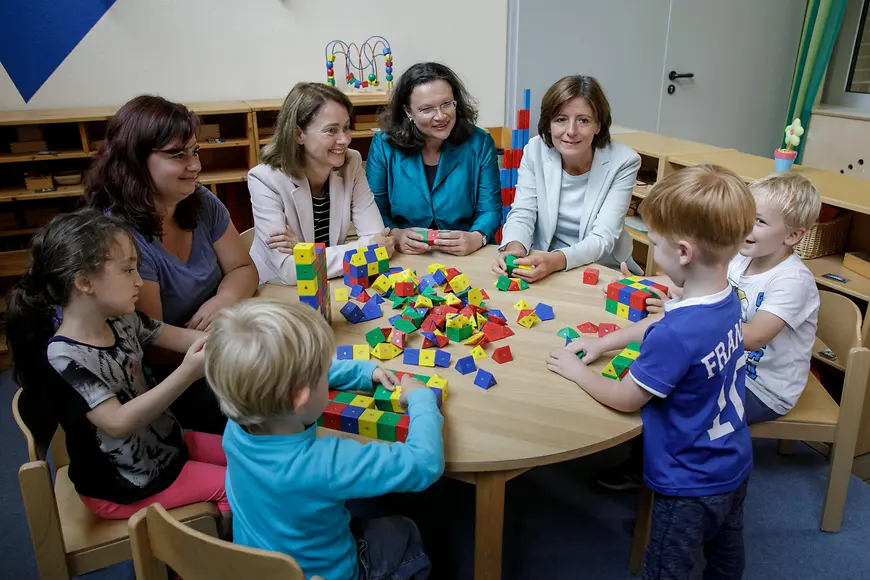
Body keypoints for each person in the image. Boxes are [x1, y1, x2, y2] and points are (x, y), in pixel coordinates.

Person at [546, 165, 755, 579]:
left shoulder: (677, 334)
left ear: (682, 252)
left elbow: (626, 398)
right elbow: (660, 323)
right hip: (733, 461)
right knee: (727, 554)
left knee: (664, 568)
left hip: (687, 480)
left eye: (654, 244)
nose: (651, 253)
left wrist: (576, 371)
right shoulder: (727, 299)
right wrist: (605, 342)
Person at [6, 211, 230, 535]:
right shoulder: (63, 358)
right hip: (122, 485)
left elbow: (184, 338)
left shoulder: (121, 320)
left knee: (243, 451)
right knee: (232, 485)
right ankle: (205, 562)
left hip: (166, 450)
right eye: (128, 270)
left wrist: (239, 338)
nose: (139, 280)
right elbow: (118, 422)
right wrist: (187, 373)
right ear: (84, 282)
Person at [205, 299, 444, 580]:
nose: (325, 376)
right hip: (328, 574)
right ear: (300, 398)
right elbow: (424, 463)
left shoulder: (236, 427)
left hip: (259, 568)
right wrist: (421, 399)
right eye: (322, 373)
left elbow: (282, 375)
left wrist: (364, 372)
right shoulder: (326, 462)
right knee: (402, 531)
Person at [85, 95, 259, 434]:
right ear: (136, 160)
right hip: (175, 379)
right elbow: (153, 346)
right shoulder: (120, 239)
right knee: (278, 405)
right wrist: (231, 342)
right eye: (178, 155)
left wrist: (222, 302)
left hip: (217, 348)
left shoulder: (202, 201)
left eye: (195, 151)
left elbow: (243, 269)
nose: (194, 165)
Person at [493, 75, 642, 283]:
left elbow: (603, 239)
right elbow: (522, 213)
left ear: (598, 125)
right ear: (549, 124)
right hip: (543, 260)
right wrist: (514, 247)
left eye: (583, 120)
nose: (571, 131)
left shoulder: (624, 161)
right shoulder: (534, 150)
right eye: (561, 119)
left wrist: (555, 260)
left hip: (601, 267)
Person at [248, 82, 394, 285]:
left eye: (346, 128)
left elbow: (381, 242)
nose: (344, 139)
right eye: (331, 130)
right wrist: (365, 249)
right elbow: (290, 270)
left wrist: (303, 251)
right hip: (277, 293)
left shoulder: (351, 162)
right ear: (299, 134)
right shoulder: (265, 179)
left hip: (329, 284)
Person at [366, 62, 501, 256]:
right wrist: (396, 235)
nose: (440, 116)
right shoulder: (384, 144)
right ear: (408, 111)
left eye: (447, 104)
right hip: (405, 255)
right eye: (427, 109)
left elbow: (491, 209)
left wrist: (477, 236)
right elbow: (374, 210)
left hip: (467, 253)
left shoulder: (480, 143)